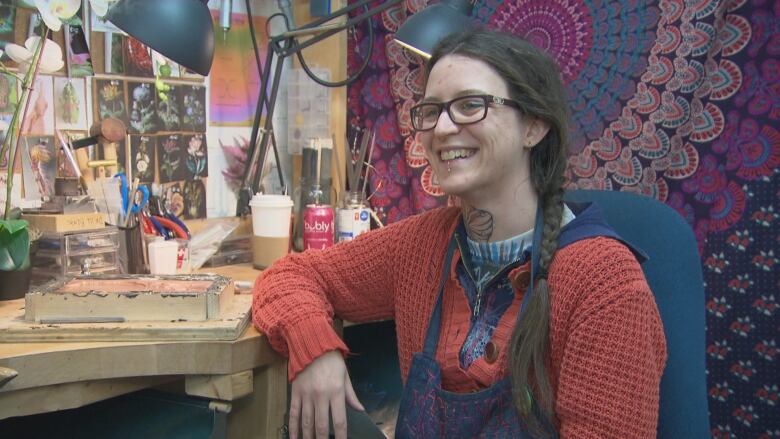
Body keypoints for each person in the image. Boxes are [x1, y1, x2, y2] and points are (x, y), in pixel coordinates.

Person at [253, 28, 667, 439]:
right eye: (432, 111)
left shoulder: (605, 285)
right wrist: (316, 348)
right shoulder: (422, 245)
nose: (443, 128)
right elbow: (291, 276)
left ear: (534, 127)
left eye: (471, 105)